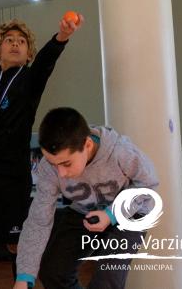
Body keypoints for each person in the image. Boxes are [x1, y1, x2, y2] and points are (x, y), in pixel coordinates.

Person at [0, 16, 83, 288]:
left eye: (21, 42)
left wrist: (62, 35)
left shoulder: (31, 79)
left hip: (11, 176)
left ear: (28, 52)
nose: (16, 44)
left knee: (16, 243)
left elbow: (47, 60)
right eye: (9, 40)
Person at [14, 107, 159, 289]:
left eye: (66, 163)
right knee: (52, 272)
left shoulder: (121, 152)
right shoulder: (48, 169)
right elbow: (39, 220)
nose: (61, 173)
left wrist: (111, 214)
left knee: (106, 281)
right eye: (53, 163)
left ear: (87, 145)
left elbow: (148, 185)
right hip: (86, 210)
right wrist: (24, 275)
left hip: (132, 212)